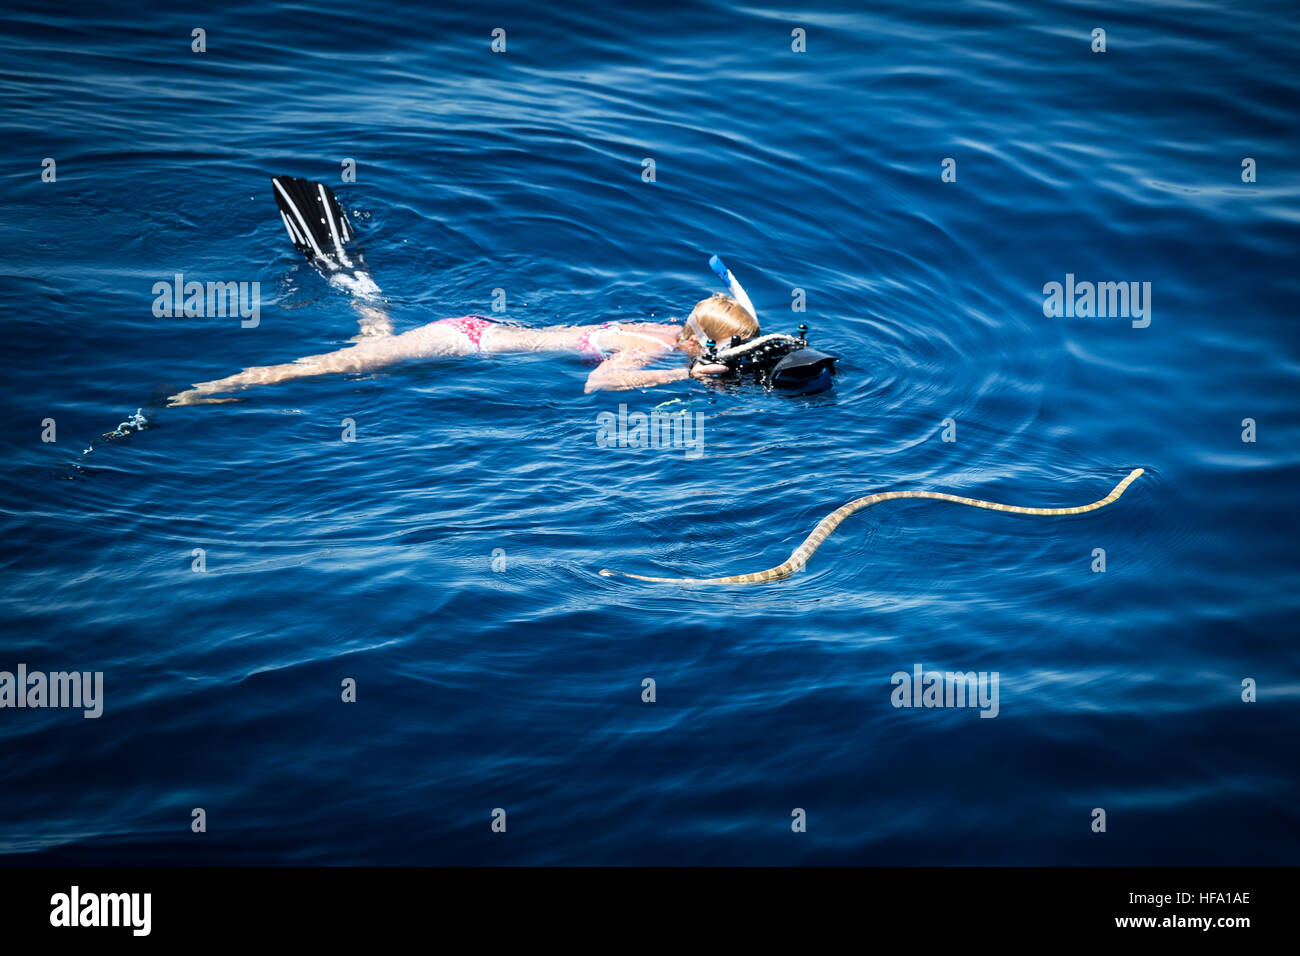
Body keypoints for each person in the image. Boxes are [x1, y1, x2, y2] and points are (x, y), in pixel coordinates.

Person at [168, 177, 755, 405]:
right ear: (701, 346)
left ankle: (354, 281)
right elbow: (597, 383)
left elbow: (720, 316)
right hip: (465, 345)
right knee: (342, 365)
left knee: (372, 351)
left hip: (482, 330)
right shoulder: (653, 351)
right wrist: (685, 377)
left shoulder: (667, 326)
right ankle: (211, 389)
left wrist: (734, 330)